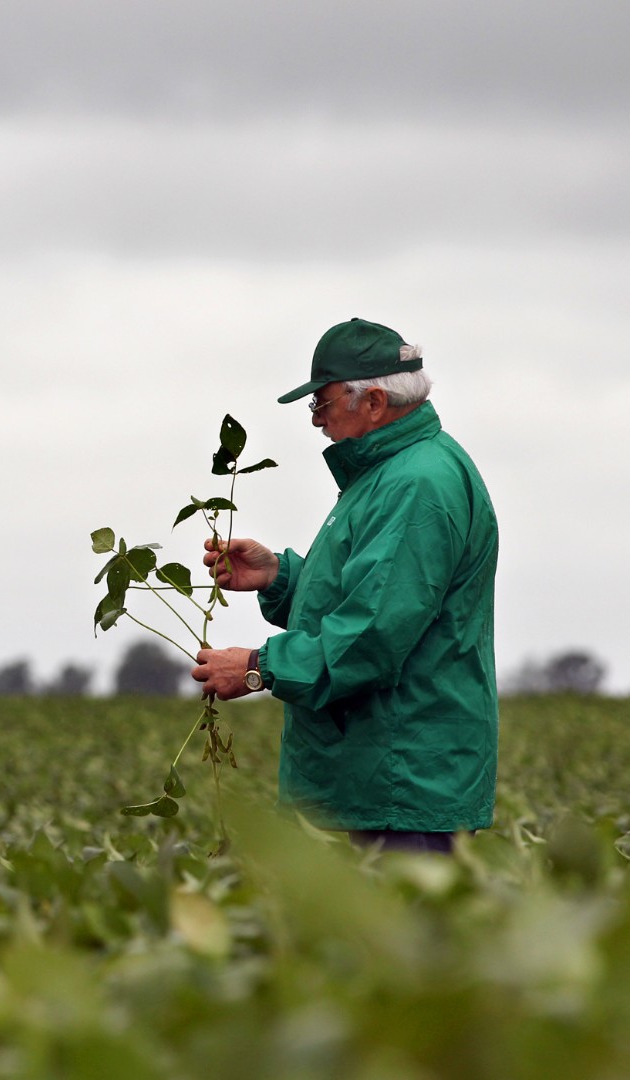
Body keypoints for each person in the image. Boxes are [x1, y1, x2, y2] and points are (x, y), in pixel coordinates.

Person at [189, 318, 499, 854]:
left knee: (397, 936)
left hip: (401, 785)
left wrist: (260, 668)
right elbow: (379, 597)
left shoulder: (417, 484)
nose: (316, 420)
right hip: (381, 777)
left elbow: (374, 636)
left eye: (322, 404)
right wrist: (281, 578)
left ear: (374, 402)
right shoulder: (394, 473)